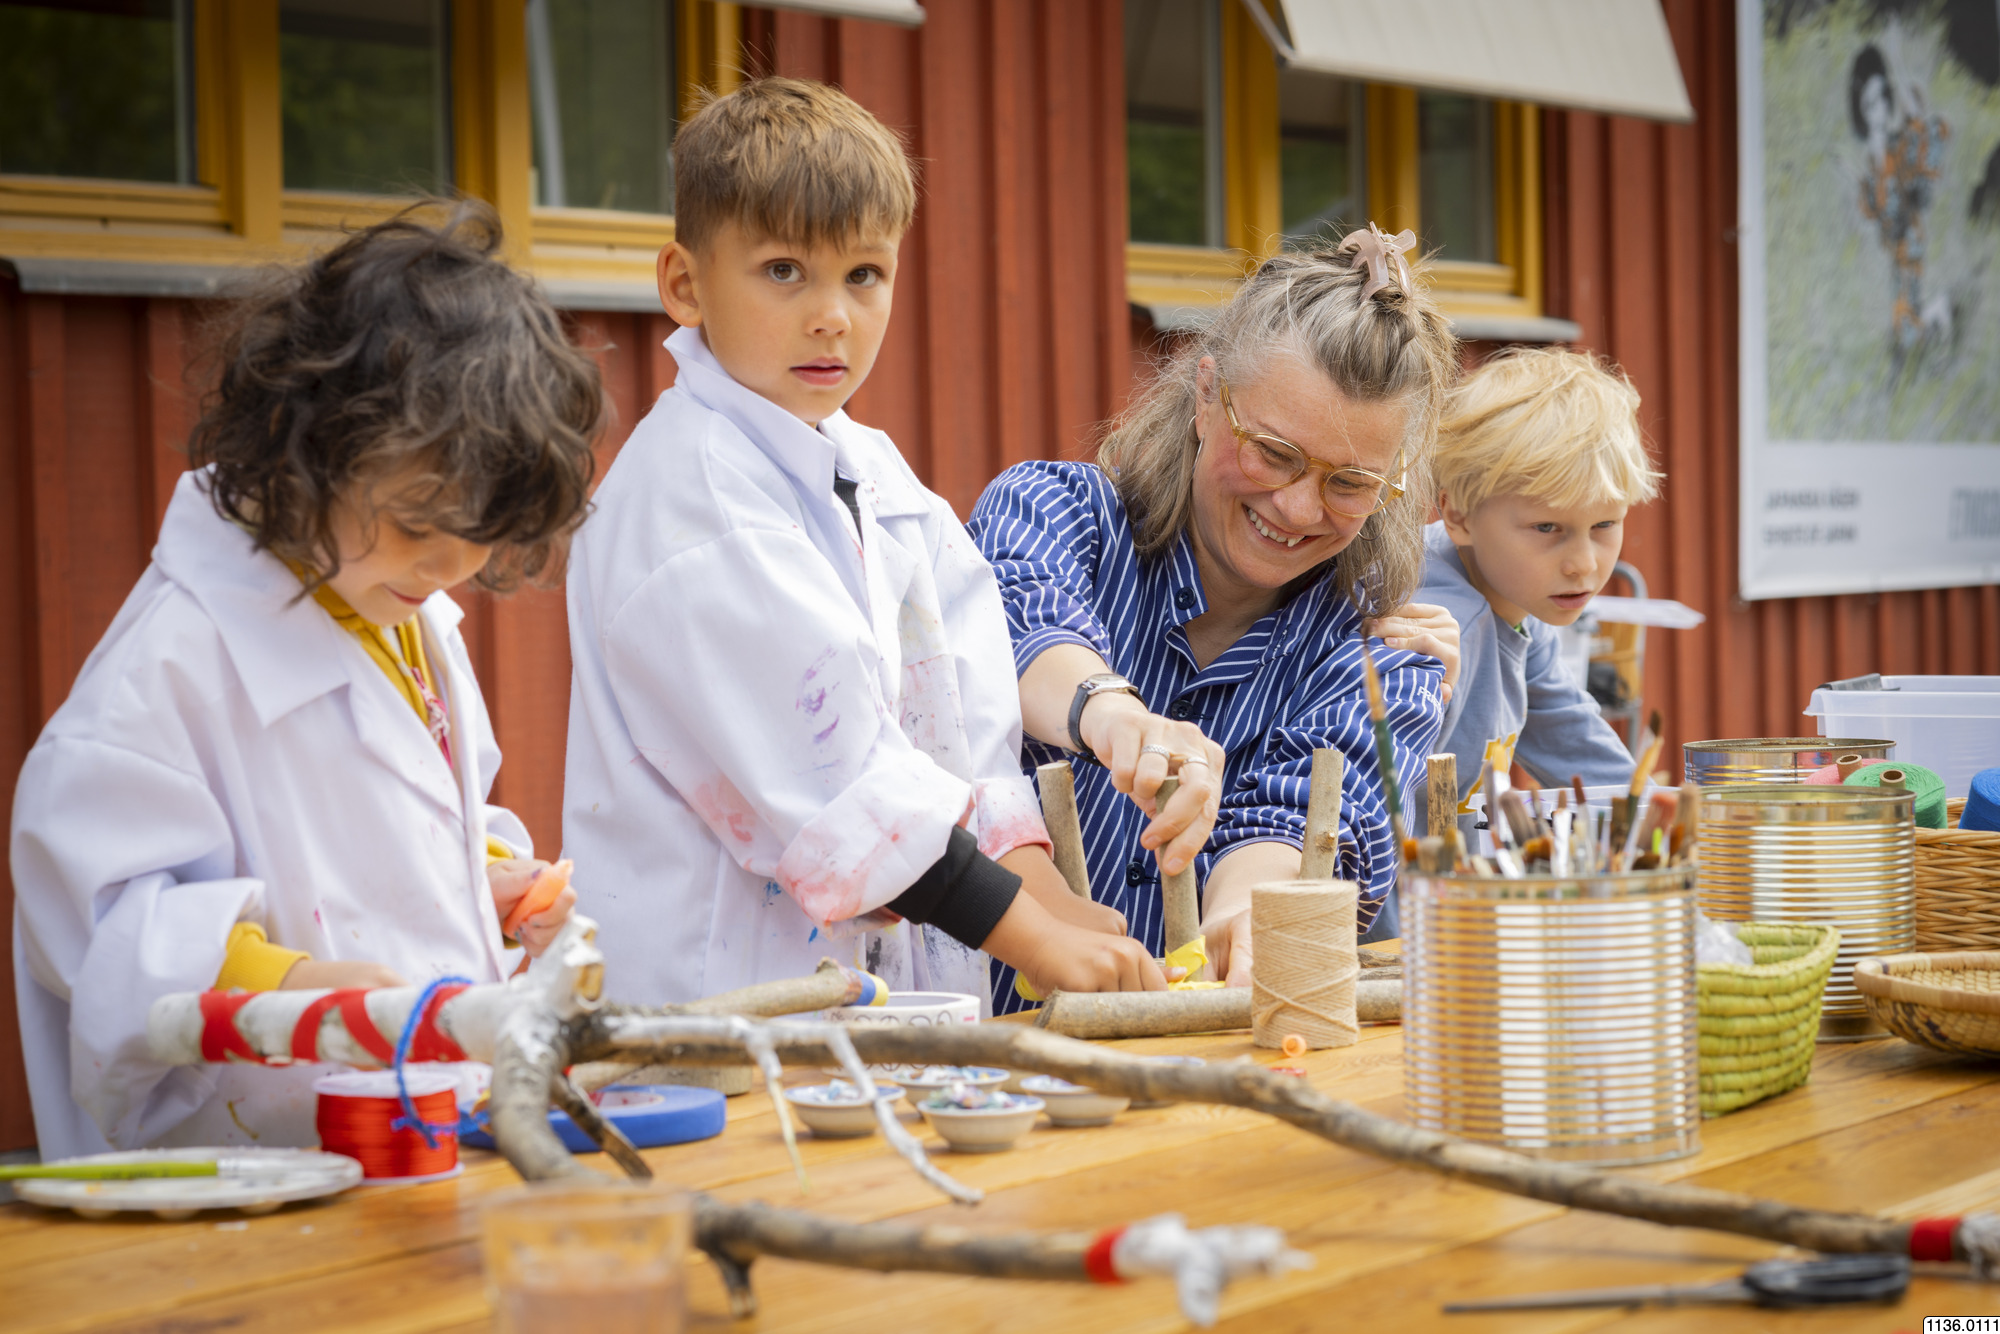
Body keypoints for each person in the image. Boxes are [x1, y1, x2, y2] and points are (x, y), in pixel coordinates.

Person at [11, 203, 599, 1158]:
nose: (449, 568)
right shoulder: (168, 669)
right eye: (417, 525)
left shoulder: (399, 612)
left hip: (409, 1134)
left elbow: (406, 810)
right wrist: (289, 987)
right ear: (309, 445)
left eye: (479, 535)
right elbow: (94, 930)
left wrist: (480, 875)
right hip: (248, 1167)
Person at [562, 77, 1160, 1013]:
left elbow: (961, 712)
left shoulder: (875, 474)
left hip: (867, 1000)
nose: (831, 316)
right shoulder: (693, 503)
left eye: (864, 275)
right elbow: (837, 780)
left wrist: (1048, 896)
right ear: (685, 284)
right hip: (713, 1011)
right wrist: (1036, 940)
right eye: (783, 271)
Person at [969, 226, 1462, 1005]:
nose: (1296, 507)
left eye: (1349, 483)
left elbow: (1302, 816)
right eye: (1274, 451)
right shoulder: (1054, 511)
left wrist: (1246, 915)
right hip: (984, 1055)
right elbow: (1022, 628)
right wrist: (1112, 714)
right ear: (1206, 396)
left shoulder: (1382, 658)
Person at [1419, 346, 1662, 804]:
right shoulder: (1443, 625)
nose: (1583, 564)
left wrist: (1667, 814)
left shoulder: (1517, 603)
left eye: (1604, 524)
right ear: (1459, 515)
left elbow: (1581, 748)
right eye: (1547, 528)